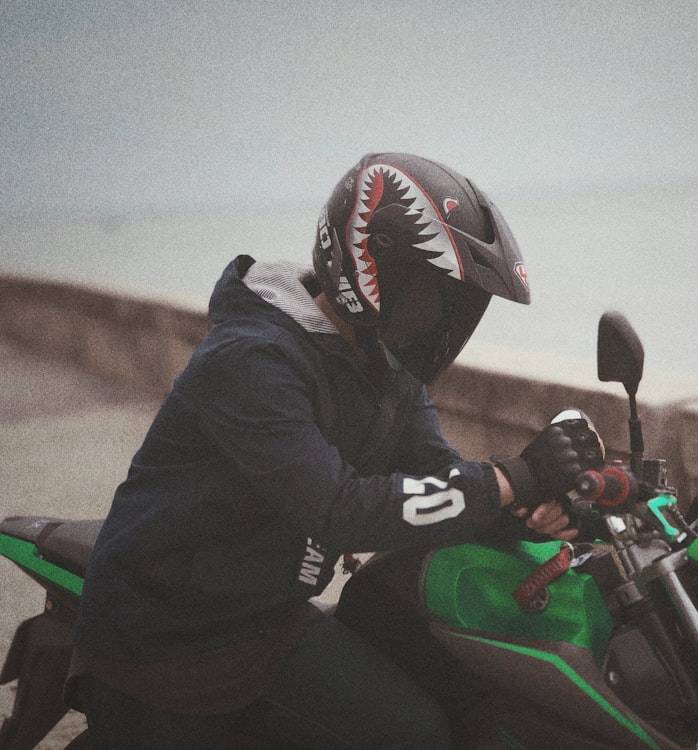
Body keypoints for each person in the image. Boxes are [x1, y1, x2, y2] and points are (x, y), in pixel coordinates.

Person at [69, 152, 604, 749]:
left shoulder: (384, 366)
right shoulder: (252, 359)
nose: (442, 318)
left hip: (268, 621)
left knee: (418, 733)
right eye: (432, 295)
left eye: (453, 303)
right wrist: (508, 478)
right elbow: (338, 510)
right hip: (165, 638)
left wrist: (525, 502)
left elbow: (436, 472)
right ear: (368, 269)